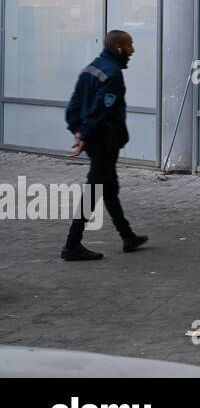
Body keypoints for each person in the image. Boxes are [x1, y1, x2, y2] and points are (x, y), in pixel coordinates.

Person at [62, 30, 148, 261]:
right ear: (118, 47)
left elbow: (74, 104)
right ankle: (72, 245)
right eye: (130, 45)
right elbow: (101, 108)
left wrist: (78, 130)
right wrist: (85, 135)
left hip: (95, 140)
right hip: (105, 141)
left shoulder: (91, 68)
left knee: (110, 188)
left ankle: (127, 236)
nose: (133, 50)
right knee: (94, 190)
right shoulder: (112, 74)